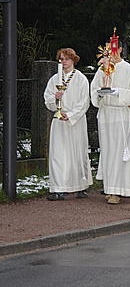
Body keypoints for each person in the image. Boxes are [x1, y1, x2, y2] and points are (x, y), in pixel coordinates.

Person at [91, 37, 130, 204]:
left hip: (121, 115)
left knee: (120, 153)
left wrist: (119, 92)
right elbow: (94, 89)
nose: (109, 52)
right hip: (106, 114)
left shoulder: (129, 69)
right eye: (107, 49)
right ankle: (110, 187)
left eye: (112, 49)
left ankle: (118, 190)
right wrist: (100, 94)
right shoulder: (102, 69)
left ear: (119, 49)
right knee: (108, 152)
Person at [44, 48, 92, 201]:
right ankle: (58, 188)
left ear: (73, 60)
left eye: (66, 59)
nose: (64, 62)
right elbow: (47, 99)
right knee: (58, 154)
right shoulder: (54, 79)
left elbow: (84, 102)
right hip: (59, 121)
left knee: (77, 153)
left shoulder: (81, 79)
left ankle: (80, 185)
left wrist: (70, 115)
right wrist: (55, 99)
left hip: (75, 121)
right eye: (61, 59)